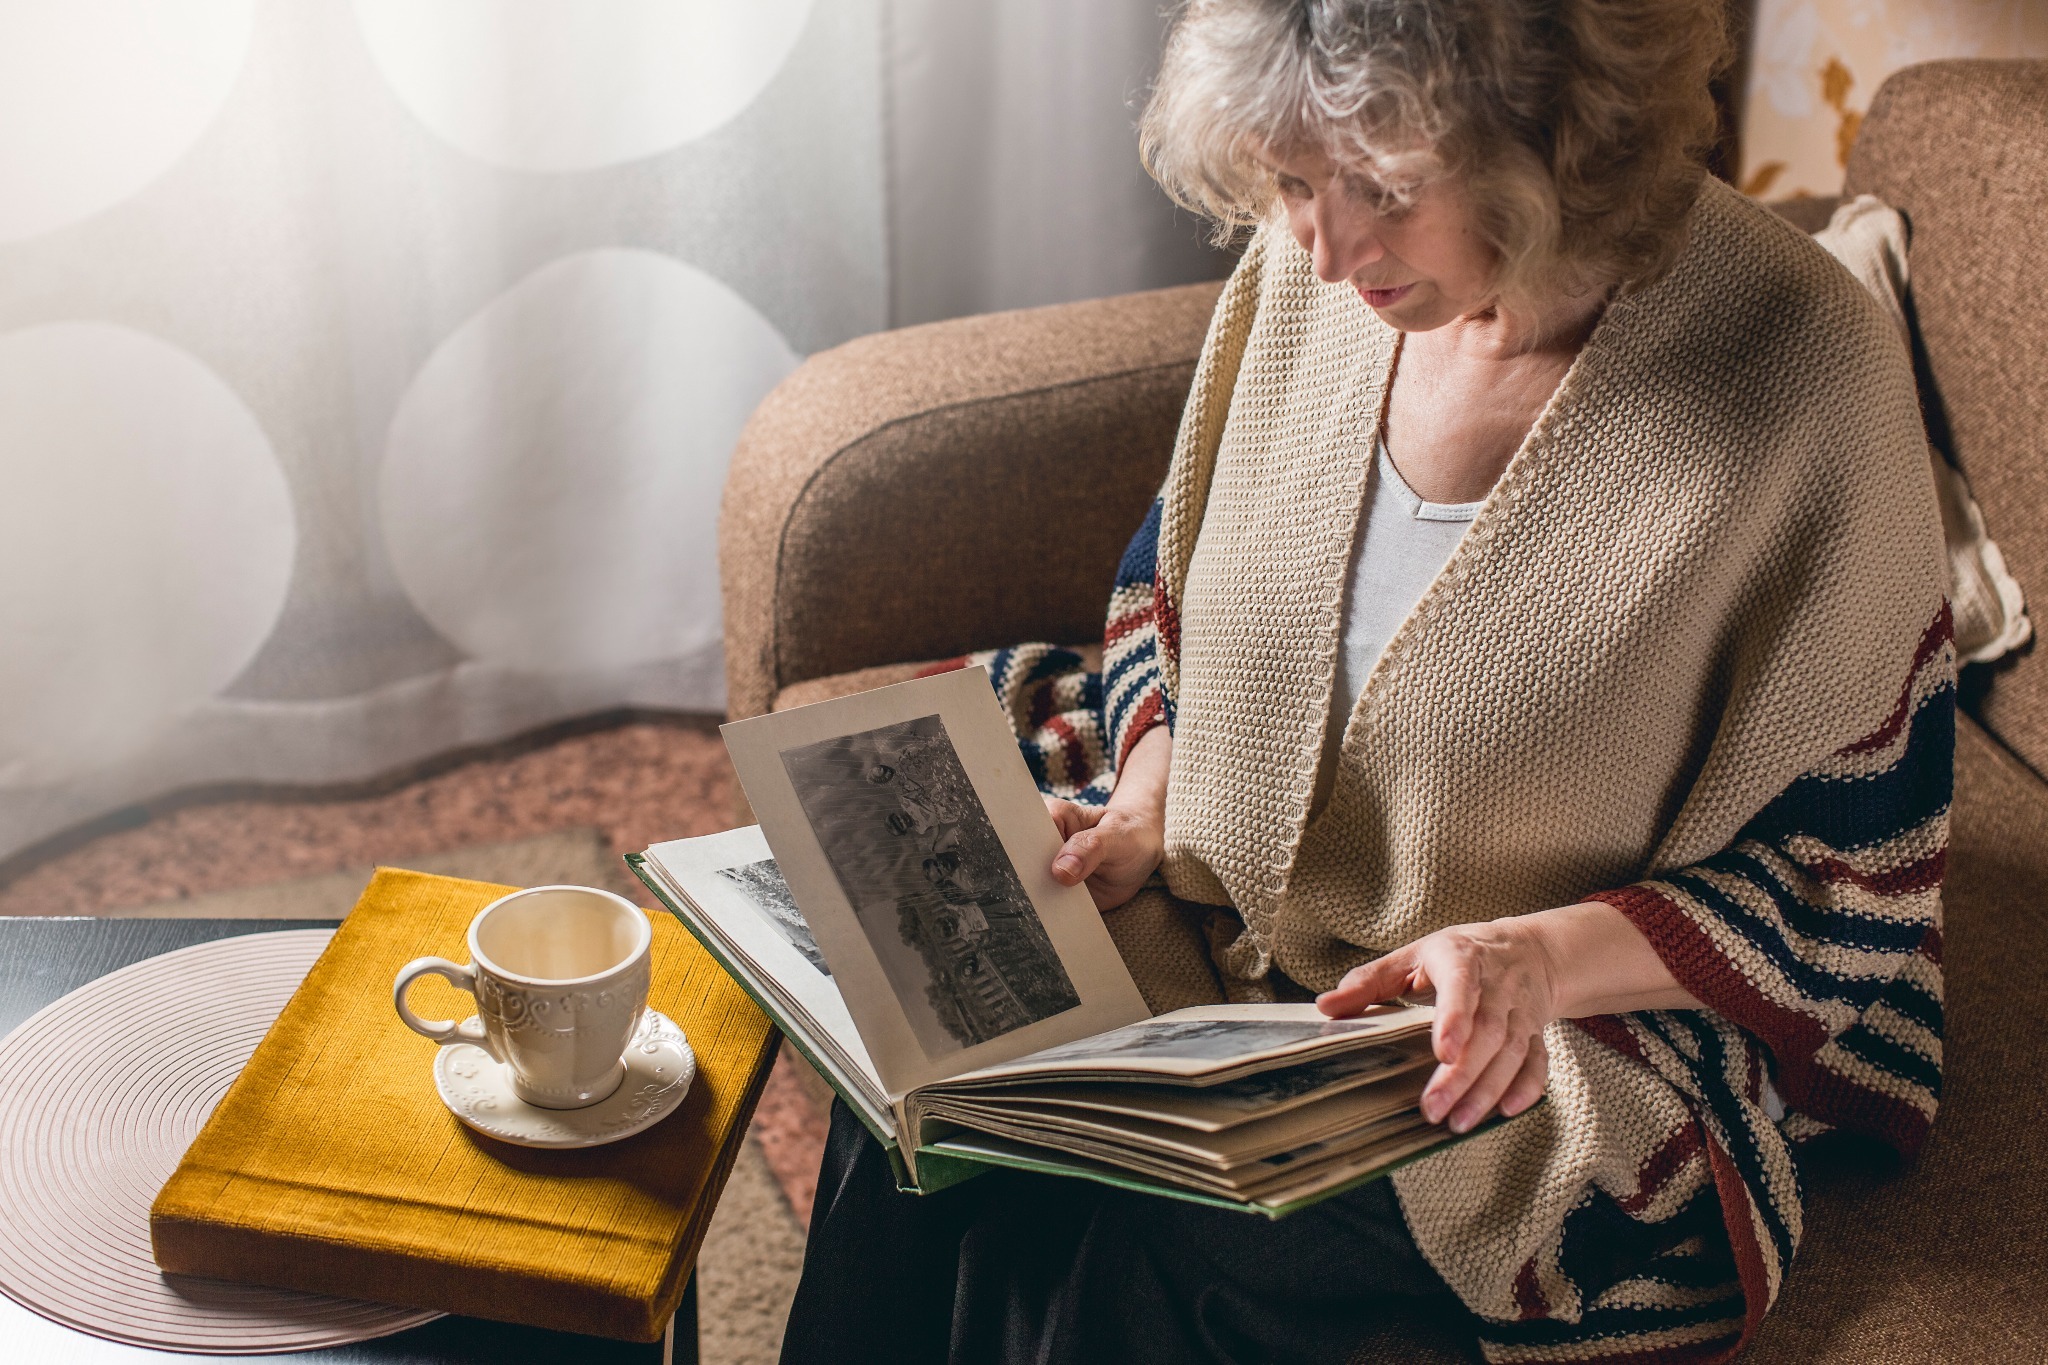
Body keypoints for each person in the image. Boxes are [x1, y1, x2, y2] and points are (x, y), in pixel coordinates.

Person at [780, 1, 1952, 1362]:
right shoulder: (1313, 275)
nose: (1325, 250)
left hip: (1532, 1024)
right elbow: (1178, 585)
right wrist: (1155, 797)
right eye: (1289, 181)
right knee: (923, 1088)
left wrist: (1533, 959)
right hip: (1224, 906)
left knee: (1166, 1247)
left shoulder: (1804, 366)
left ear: (1563, 134)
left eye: (1386, 190)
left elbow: (1848, 864)